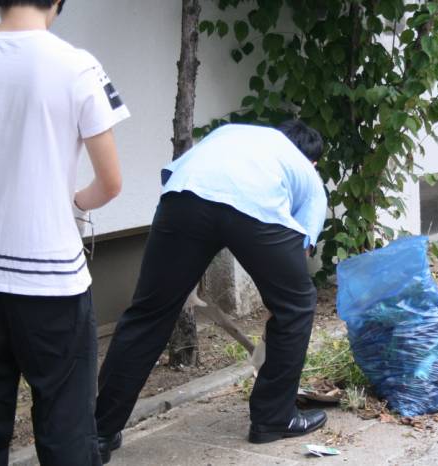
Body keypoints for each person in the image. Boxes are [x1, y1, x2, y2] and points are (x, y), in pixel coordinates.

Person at [95, 121, 328, 463]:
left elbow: (174, 176)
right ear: (312, 162)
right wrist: (279, 307)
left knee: (149, 313)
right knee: (297, 304)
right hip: (252, 204)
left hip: (184, 196)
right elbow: (298, 260)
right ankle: (273, 418)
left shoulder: (233, 133)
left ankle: (98, 432)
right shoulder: (308, 177)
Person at [0, 0, 129, 464]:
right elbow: (110, 183)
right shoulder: (77, 66)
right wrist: (73, 202)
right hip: (50, 278)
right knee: (65, 427)